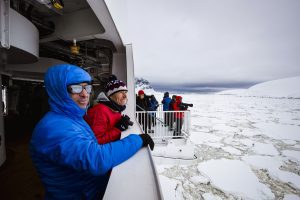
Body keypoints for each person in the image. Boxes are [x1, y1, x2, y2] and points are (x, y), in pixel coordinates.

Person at [30, 64, 154, 199]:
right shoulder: (54, 128)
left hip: (87, 189)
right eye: (76, 88)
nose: (84, 94)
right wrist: (137, 139)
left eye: (87, 87)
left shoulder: (73, 117)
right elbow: (96, 159)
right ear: (59, 91)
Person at [85, 75, 131, 144]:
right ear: (111, 95)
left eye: (125, 92)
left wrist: (122, 122)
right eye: (121, 92)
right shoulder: (100, 111)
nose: (125, 96)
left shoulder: (115, 108)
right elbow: (96, 141)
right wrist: (118, 128)